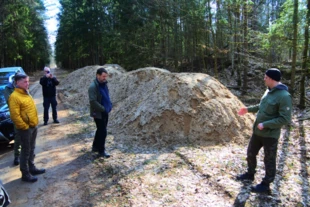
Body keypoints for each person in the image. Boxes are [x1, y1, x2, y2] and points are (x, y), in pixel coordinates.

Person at [236, 68, 292, 193]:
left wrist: (266, 124)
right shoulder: (268, 91)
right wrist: (248, 109)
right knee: (250, 153)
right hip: (258, 132)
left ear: (272, 79)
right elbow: (261, 107)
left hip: (270, 135)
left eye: (266, 77)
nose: (264, 79)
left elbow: (285, 119)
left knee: (269, 159)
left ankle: (266, 185)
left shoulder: (284, 96)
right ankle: (250, 174)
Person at [8, 74, 45, 182]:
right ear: (17, 82)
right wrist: (24, 127)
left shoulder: (26, 93)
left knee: (32, 148)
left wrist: (34, 123)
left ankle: (32, 168)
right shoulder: (14, 97)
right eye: (25, 82)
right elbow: (15, 116)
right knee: (26, 150)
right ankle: (25, 173)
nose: (27, 83)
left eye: (28, 81)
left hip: (33, 126)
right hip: (25, 129)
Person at [88, 68, 112, 158]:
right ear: (97, 75)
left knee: (100, 129)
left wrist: (110, 105)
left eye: (106, 76)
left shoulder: (104, 84)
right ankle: (101, 151)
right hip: (98, 112)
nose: (105, 78)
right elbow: (93, 101)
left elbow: (106, 96)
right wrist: (103, 109)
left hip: (105, 111)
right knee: (103, 131)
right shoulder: (93, 87)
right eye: (103, 76)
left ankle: (95, 147)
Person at [3, 74, 21, 166]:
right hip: (16, 115)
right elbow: (10, 102)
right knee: (18, 136)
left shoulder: (22, 87)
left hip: (25, 114)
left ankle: (28, 154)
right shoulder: (8, 89)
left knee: (28, 135)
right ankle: (17, 156)